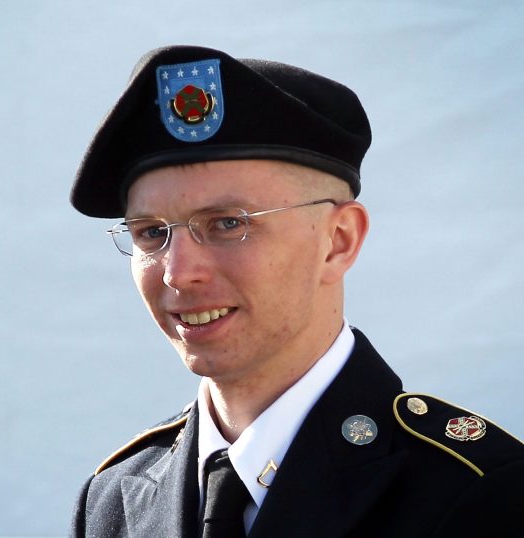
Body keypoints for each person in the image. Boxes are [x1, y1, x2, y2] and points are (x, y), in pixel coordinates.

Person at [67, 45, 524, 537]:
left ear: (338, 241)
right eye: (151, 232)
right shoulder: (113, 498)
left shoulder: (482, 494)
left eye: (226, 223)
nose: (179, 273)